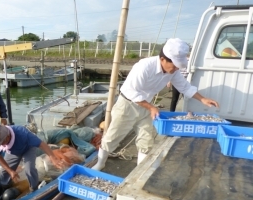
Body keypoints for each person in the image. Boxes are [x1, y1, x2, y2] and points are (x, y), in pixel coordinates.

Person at [93, 38, 219, 170]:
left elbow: (185, 87)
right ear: (163, 59)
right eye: (174, 65)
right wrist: (152, 107)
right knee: (112, 137)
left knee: (146, 139)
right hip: (127, 105)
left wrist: (203, 99)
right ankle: (100, 164)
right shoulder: (144, 66)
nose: (176, 68)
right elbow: (132, 91)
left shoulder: (172, 72)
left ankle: (139, 171)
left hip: (147, 106)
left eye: (178, 66)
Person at [0, 124, 63, 192]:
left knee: (29, 169)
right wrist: (10, 171)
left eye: (0, 143)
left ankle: (34, 189)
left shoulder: (23, 133)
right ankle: (5, 186)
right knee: (4, 172)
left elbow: (42, 145)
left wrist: (53, 158)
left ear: (7, 137)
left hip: (28, 148)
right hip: (13, 152)